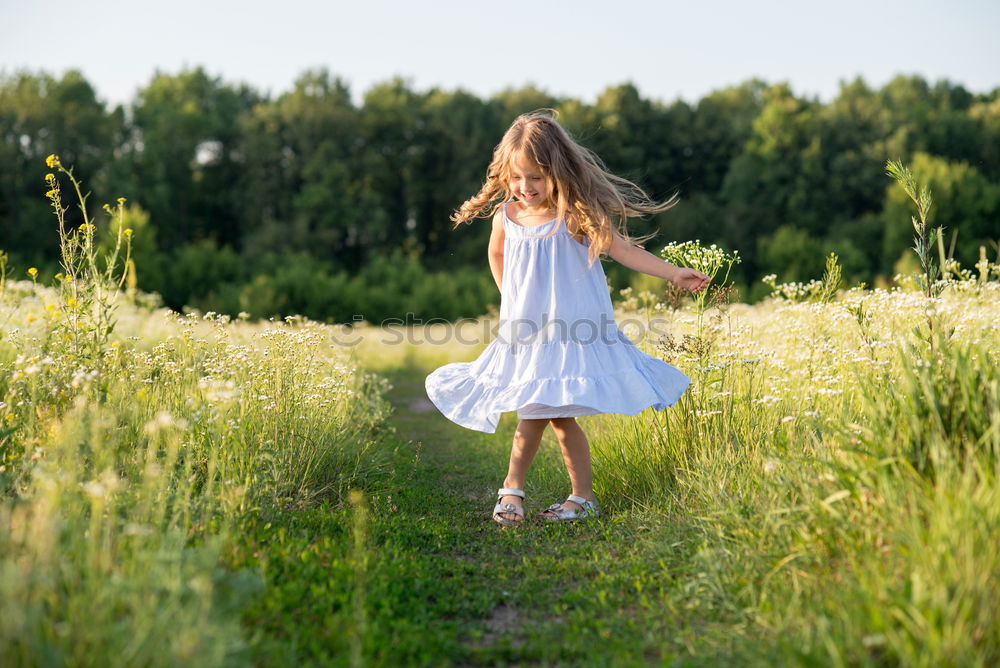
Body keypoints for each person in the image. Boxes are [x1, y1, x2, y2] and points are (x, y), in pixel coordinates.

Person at [424, 111, 710, 526]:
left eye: (536, 177)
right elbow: (497, 254)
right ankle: (567, 496)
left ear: (558, 171)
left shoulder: (577, 214)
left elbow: (624, 251)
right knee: (545, 413)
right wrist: (512, 299)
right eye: (517, 177)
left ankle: (520, 492)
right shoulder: (508, 215)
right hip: (528, 333)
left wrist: (673, 273)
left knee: (543, 414)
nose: (526, 187)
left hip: (573, 333)